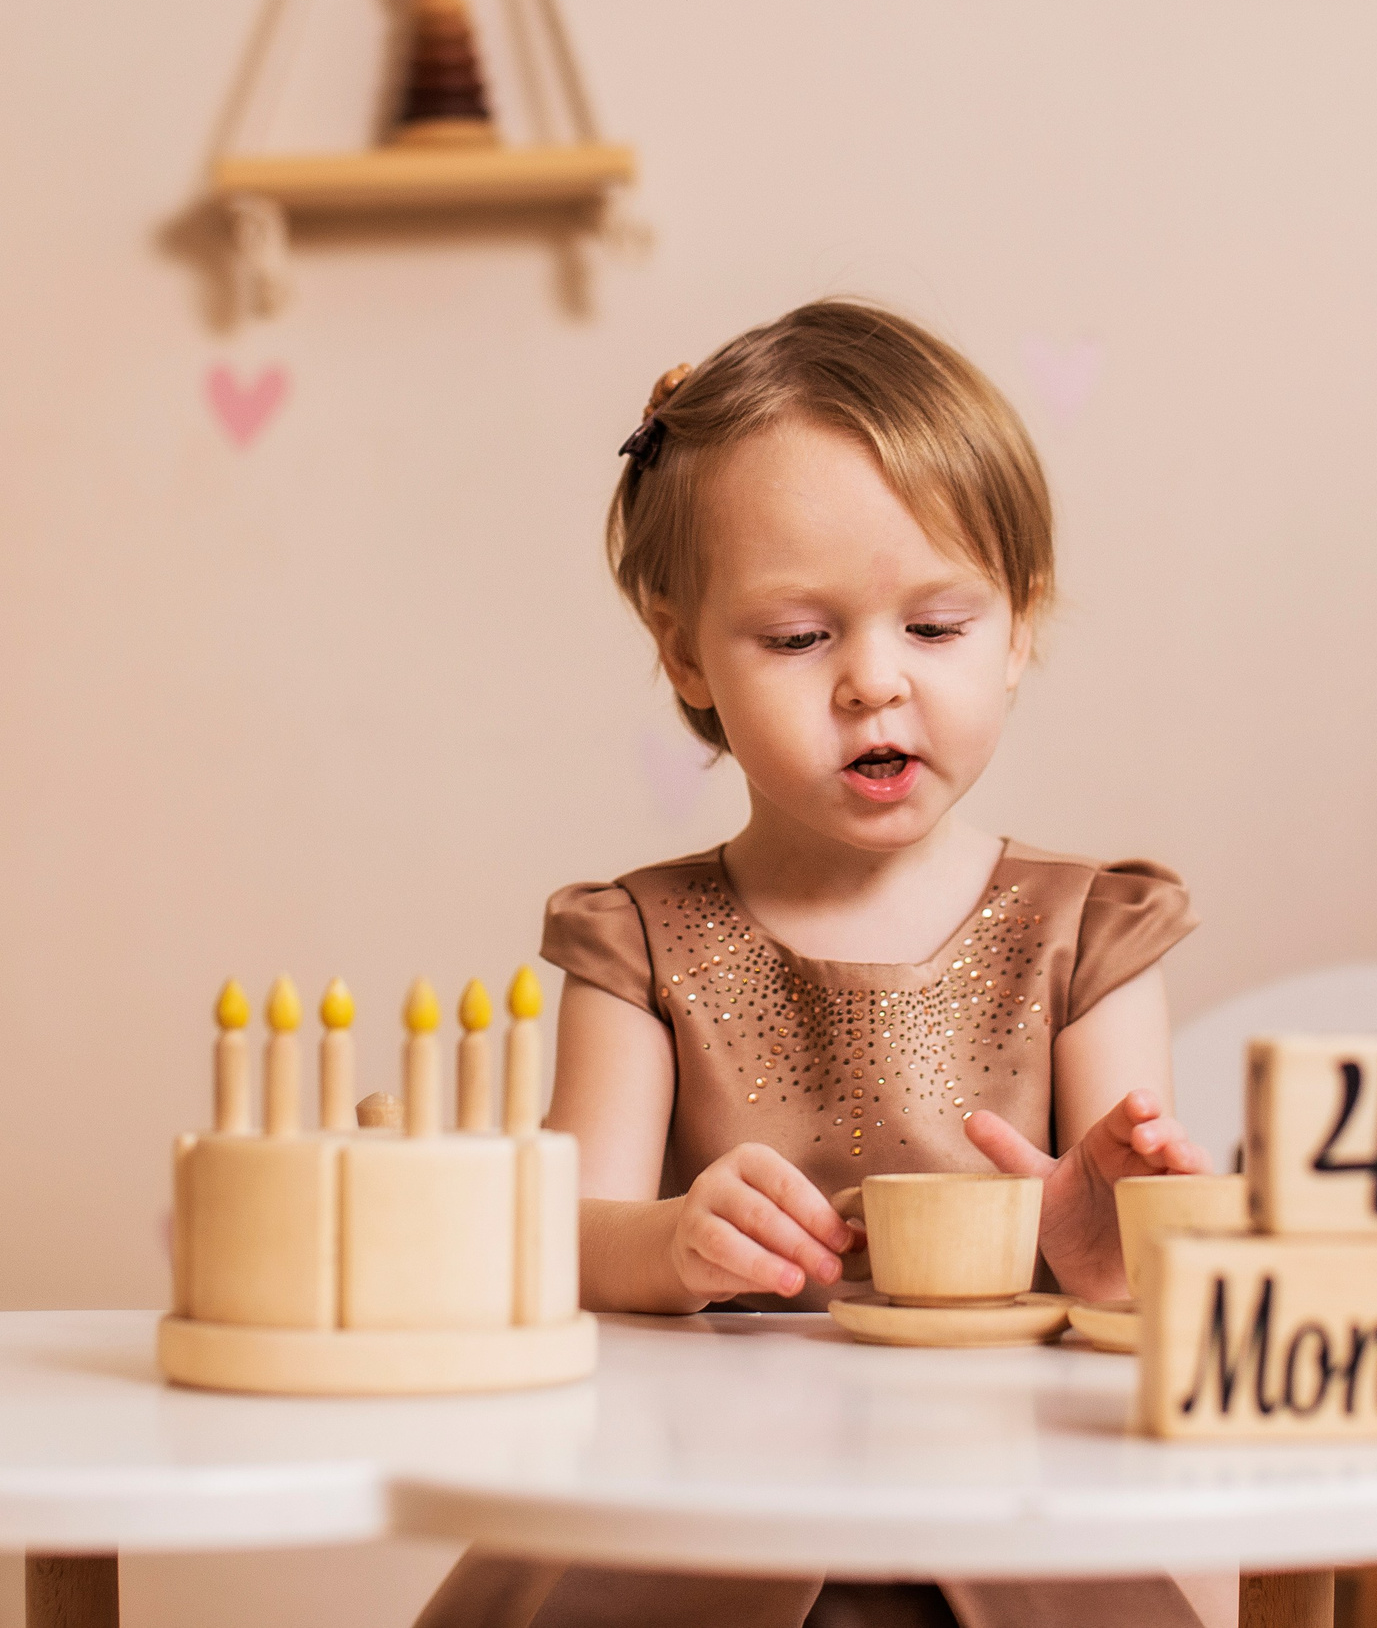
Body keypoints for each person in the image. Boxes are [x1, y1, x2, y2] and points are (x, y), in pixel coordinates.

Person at [415, 300, 1225, 1628]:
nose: (871, 684)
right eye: (801, 638)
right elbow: (550, 1239)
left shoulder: (1090, 934)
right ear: (685, 651)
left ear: (1018, 630)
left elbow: (1148, 1277)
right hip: (708, 1514)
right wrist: (670, 1245)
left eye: (936, 628)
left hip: (1011, 1516)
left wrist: (1102, 1246)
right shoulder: (640, 942)